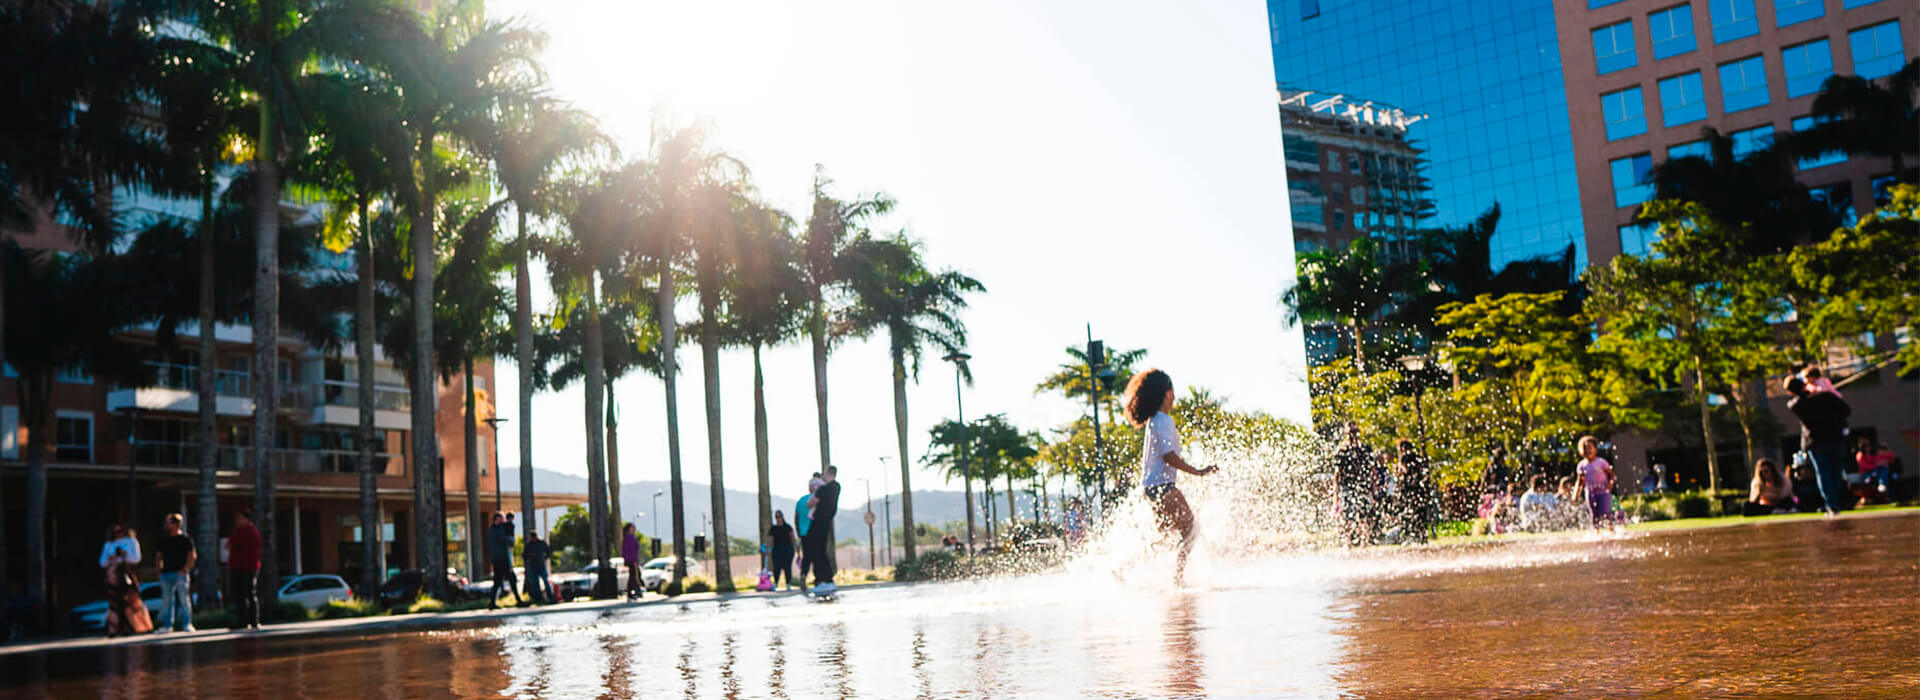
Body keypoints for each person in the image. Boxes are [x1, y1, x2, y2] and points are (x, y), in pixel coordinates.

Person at [1121, 369, 1219, 582]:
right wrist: (1199, 472)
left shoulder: (1154, 420)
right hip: (1162, 486)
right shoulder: (1163, 420)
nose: (1174, 396)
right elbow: (1169, 457)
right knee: (1190, 529)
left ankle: (1125, 567)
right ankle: (1177, 579)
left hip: (1151, 487)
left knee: (1166, 535)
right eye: (1172, 390)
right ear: (1167, 393)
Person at [1785, 373, 1852, 516]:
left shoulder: (1795, 405)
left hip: (1815, 441)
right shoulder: (1826, 396)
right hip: (1835, 437)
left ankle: (1832, 505)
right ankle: (1835, 503)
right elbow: (1846, 410)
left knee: (1823, 473)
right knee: (1835, 471)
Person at [100, 524, 151, 637]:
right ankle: (114, 629)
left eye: (120, 531)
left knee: (130, 601)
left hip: (127, 574)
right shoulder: (109, 544)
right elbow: (102, 562)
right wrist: (111, 559)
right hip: (113, 576)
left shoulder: (131, 542)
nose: (118, 534)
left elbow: (136, 558)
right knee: (114, 603)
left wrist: (125, 556)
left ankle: (132, 627)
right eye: (115, 532)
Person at [1333, 424, 1376, 546]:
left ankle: (1363, 542)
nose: (1352, 434)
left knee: (1363, 515)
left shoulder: (1365, 449)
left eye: (1354, 431)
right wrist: (1335, 494)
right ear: (1346, 433)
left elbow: (1372, 469)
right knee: (1348, 516)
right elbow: (1337, 473)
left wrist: (1373, 487)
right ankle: (1348, 542)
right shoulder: (1342, 450)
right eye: (1351, 431)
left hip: (1362, 486)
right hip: (1348, 487)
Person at [154, 512, 196, 633]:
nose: (166, 525)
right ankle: (167, 626)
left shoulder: (185, 539)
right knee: (167, 601)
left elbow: (192, 555)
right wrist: (158, 569)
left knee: (184, 599)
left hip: (180, 574)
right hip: (166, 573)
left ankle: (187, 624)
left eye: (169, 522)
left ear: (176, 524)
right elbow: (158, 556)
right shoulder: (164, 539)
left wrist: (185, 569)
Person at [804, 466, 843, 594]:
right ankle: (825, 579)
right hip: (826, 522)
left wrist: (816, 491)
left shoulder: (824, 489)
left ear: (828, 473)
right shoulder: (836, 487)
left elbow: (810, 503)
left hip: (819, 522)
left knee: (817, 550)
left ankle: (824, 580)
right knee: (820, 550)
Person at [1395, 440, 1437, 544]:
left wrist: (1398, 472)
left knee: (1409, 514)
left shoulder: (1405, 458)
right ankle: (1423, 537)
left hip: (1409, 490)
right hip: (1419, 491)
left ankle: (1412, 536)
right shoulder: (1417, 458)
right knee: (1421, 514)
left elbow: (1402, 472)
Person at [228, 510, 262, 630]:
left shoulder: (249, 532)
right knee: (242, 595)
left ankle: (251, 621)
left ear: (247, 519)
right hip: (240, 566)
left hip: (247, 567)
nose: (238, 521)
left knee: (248, 594)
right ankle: (245, 621)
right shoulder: (240, 531)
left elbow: (231, 545)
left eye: (240, 518)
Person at [1576, 436, 1616, 528]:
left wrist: (1610, 483)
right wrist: (1576, 495)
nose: (1587, 451)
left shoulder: (1601, 462)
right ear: (1580, 451)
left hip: (1603, 491)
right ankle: (1596, 532)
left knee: (1606, 512)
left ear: (1595, 449)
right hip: (1590, 492)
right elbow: (1579, 481)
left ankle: (1611, 529)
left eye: (1589, 448)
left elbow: (1612, 475)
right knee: (1594, 514)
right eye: (1584, 448)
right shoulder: (1581, 465)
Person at [487, 514, 522, 609]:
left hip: (498, 558)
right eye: (501, 519)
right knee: (507, 579)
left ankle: (493, 603)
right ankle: (517, 600)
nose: (503, 521)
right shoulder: (496, 530)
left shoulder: (493, 530)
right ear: (497, 519)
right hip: (501, 558)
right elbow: (505, 539)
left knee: (501, 580)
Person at [767, 510, 797, 592]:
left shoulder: (788, 527)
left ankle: (788, 584)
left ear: (782, 517)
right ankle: (776, 583)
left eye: (779, 516)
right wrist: (767, 548)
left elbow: (792, 538)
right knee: (777, 567)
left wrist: (796, 549)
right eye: (777, 517)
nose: (778, 518)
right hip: (777, 550)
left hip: (788, 549)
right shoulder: (773, 528)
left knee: (787, 567)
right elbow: (770, 539)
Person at [522, 531, 552, 604]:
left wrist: (545, 558)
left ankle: (550, 597)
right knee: (536, 583)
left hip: (541, 565)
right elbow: (524, 555)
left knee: (545, 581)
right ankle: (539, 598)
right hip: (533, 566)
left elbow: (548, 551)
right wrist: (530, 556)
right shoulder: (529, 545)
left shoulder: (541, 543)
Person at [620, 523, 643, 600]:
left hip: (632, 559)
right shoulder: (629, 538)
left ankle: (634, 591)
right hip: (631, 560)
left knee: (633, 575)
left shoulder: (630, 538)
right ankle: (633, 591)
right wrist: (634, 560)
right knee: (633, 576)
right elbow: (630, 551)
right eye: (632, 528)